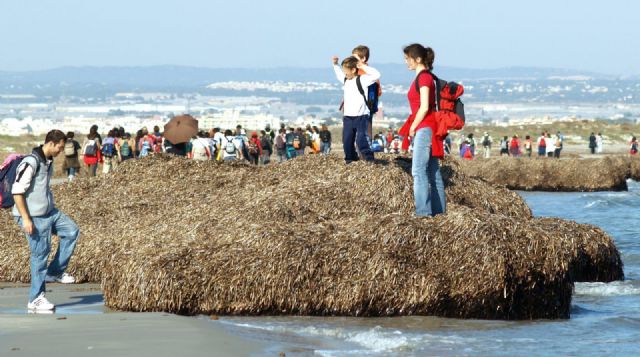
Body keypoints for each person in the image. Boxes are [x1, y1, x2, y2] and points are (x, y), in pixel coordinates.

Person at [11, 130, 79, 311]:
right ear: (51, 143)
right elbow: (17, 191)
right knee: (40, 255)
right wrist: (26, 219)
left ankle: (55, 272)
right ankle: (35, 298)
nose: (61, 151)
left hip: (49, 213)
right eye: (60, 147)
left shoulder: (47, 161)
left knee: (71, 231)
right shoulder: (31, 162)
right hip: (33, 216)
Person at [399, 43, 445, 217]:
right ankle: (439, 213)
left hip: (425, 126)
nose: (405, 62)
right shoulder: (423, 77)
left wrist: (412, 126)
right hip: (428, 126)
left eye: (407, 58)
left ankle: (423, 213)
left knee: (418, 170)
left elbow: (425, 106)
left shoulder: (424, 78)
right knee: (433, 172)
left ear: (417, 59)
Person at [332, 55, 380, 163]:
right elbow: (339, 74)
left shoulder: (362, 80)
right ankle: (350, 159)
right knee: (347, 140)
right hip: (348, 117)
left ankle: (369, 159)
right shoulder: (346, 80)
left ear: (353, 70)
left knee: (361, 139)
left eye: (346, 71)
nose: (345, 74)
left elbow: (376, 74)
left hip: (361, 116)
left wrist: (363, 66)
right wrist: (335, 65)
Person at [352, 45, 382, 147]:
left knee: (365, 130)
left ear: (363, 58)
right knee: (362, 130)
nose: (353, 61)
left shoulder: (367, 72)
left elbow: (377, 90)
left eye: (355, 58)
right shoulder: (359, 71)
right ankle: (363, 152)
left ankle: (365, 153)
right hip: (365, 105)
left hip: (366, 106)